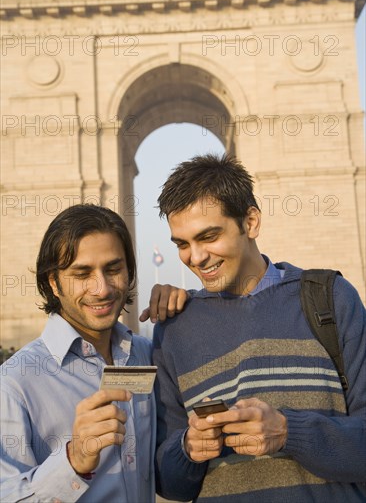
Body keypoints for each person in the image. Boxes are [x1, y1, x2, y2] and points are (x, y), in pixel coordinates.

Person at [152, 154, 366, 502]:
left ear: (250, 222)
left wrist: (288, 432)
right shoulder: (173, 330)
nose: (195, 257)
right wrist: (188, 448)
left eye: (209, 236)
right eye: (182, 244)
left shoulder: (332, 300)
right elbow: (170, 483)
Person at [0, 204, 182, 503]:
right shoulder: (14, 384)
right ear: (53, 283)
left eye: (113, 269)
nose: (102, 288)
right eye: (82, 273)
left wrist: (191, 311)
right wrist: (73, 461)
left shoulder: (148, 354)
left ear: (129, 271)